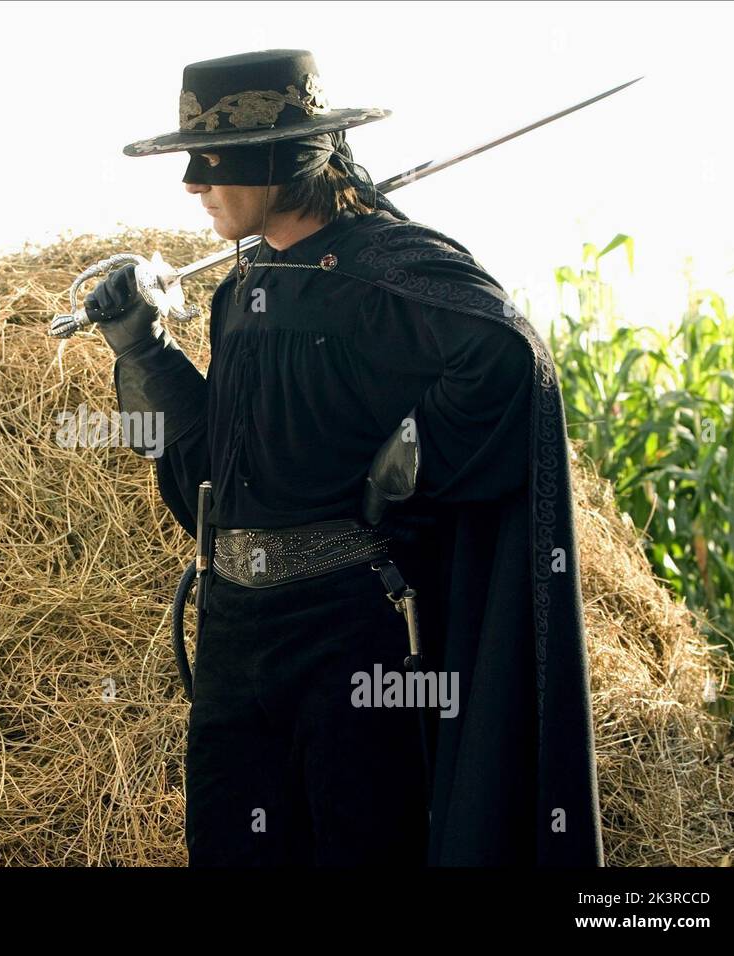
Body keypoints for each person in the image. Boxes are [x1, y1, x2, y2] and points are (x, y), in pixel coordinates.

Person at [84, 50, 604, 866]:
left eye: (211, 161)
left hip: (349, 637)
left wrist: (399, 466)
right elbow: (214, 471)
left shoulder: (387, 269)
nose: (191, 182)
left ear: (282, 157)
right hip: (235, 635)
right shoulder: (243, 289)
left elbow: (506, 356)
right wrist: (144, 348)